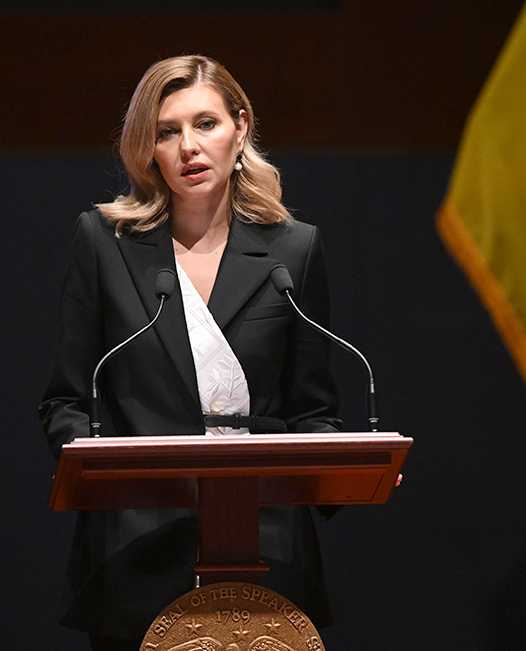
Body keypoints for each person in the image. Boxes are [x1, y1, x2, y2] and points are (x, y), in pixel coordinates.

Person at [39, 55, 342, 651]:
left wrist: (339, 474)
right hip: (136, 548)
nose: (188, 147)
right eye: (167, 131)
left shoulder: (294, 251)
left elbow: (315, 409)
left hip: (265, 545)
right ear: (147, 148)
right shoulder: (105, 242)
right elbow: (66, 401)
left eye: (205, 124)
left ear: (241, 126)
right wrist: (107, 483)